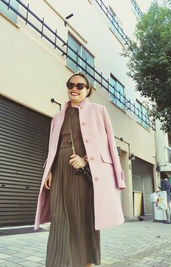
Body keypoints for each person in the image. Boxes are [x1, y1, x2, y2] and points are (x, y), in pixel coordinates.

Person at [34, 72, 126, 267]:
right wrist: (49, 170)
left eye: (79, 86)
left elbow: (107, 144)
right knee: (59, 219)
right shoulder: (58, 116)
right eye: (70, 85)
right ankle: (59, 263)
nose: (74, 89)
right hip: (60, 172)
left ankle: (85, 263)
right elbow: (53, 147)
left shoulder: (99, 111)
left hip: (85, 175)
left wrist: (85, 161)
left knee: (83, 219)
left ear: (88, 90)